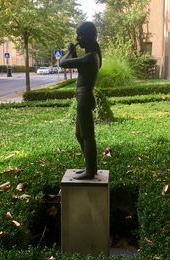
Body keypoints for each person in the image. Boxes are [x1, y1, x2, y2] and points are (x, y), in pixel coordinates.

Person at [59, 21, 102, 180]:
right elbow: (78, 66)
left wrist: (69, 52)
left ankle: (90, 171)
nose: (77, 38)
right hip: (83, 98)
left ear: (90, 37)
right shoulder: (91, 56)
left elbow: (62, 63)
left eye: (80, 35)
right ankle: (90, 166)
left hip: (84, 99)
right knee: (80, 134)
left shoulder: (90, 57)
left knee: (87, 136)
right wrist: (73, 52)